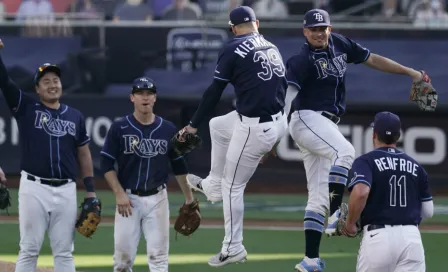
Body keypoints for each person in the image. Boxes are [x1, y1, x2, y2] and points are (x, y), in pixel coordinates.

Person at [283, 9, 432, 272]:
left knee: (316, 197)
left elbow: (373, 59)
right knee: (345, 151)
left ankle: (310, 259)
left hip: (324, 123)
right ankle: (336, 213)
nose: (319, 33)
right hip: (306, 117)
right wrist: (274, 133)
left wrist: (411, 73)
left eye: (323, 28)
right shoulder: (301, 59)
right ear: (304, 32)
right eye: (313, 29)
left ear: (330, 28)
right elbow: (286, 98)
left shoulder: (339, 43)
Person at [182, 6, 288, 267]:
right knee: (218, 125)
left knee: (234, 186)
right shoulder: (271, 45)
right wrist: (274, 137)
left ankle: (233, 247)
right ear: (257, 23)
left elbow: (214, 91)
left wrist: (193, 125)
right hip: (277, 120)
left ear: (232, 28)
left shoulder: (232, 48)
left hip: (255, 127)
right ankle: (213, 185)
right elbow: (283, 88)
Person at [0, 39, 97, 272]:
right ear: (37, 88)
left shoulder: (74, 116)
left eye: (55, 80)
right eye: (46, 81)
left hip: (66, 189)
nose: (52, 84)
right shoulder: (26, 108)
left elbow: (84, 154)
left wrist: (91, 191)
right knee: (29, 249)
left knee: (64, 252)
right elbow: (4, 82)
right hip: (34, 187)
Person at [100, 77, 196, 272]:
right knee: (122, 262)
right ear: (132, 98)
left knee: (159, 259)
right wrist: (119, 193)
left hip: (158, 198)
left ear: (155, 98)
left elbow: (179, 165)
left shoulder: (168, 129)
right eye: (140, 93)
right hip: (128, 199)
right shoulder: (120, 128)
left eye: (149, 93)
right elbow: (106, 164)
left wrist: (189, 199)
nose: (145, 97)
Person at [341, 111, 434, 271]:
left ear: (374, 134)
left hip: (378, 238)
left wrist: (350, 223)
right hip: (411, 239)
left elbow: (361, 192)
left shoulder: (366, 161)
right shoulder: (417, 167)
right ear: (398, 136)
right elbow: (428, 212)